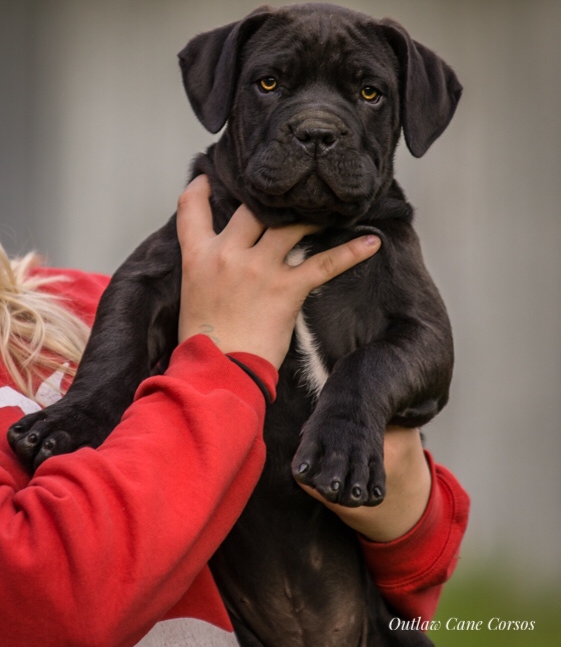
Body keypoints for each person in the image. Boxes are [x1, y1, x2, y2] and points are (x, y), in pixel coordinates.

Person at [0, 176, 469, 647]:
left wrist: (406, 507)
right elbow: (41, 601)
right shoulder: (180, 299)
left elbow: (412, 563)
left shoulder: (82, 301)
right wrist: (222, 358)